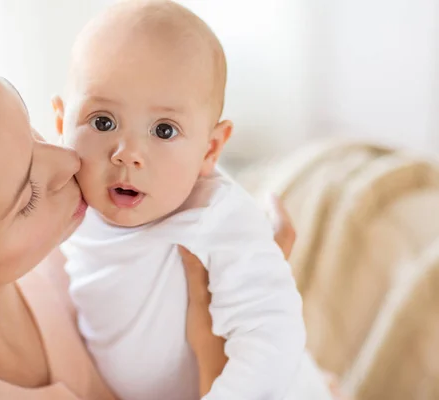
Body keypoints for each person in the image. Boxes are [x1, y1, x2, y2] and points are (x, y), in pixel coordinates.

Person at [0, 32, 300, 400]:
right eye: (28, 198)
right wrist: (212, 346)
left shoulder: (54, 223)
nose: (69, 163)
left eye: (29, 127)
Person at [55, 1, 333, 399]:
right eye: (103, 122)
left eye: (164, 130)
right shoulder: (62, 197)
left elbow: (273, 330)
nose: (127, 152)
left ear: (210, 149)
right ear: (62, 124)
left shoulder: (212, 213)